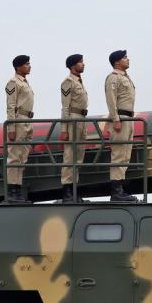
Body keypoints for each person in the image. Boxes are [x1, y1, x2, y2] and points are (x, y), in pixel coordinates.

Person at [105, 49, 138, 202]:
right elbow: (111, 100)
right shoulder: (113, 78)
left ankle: (121, 189)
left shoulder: (126, 77)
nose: (128, 59)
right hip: (121, 118)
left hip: (129, 119)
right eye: (125, 58)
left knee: (125, 155)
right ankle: (116, 191)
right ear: (117, 62)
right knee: (118, 155)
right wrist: (115, 119)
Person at [59, 54, 88, 203]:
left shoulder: (79, 81)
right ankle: (67, 192)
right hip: (73, 120)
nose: (83, 64)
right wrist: (64, 129)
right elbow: (65, 107)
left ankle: (74, 190)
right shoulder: (68, 82)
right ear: (72, 65)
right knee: (70, 156)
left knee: (78, 157)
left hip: (82, 120)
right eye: (80, 62)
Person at [5, 54, 34, 203]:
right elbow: (11, 106)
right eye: (26, 64)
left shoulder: (25, 82)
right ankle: (12, 192)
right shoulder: (13, 82)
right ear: (18, 67)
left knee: (22, 157)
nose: (29, 66)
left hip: (27, 120)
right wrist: (11, 127)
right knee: (14, 157)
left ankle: (17, 189)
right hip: (19, 119)